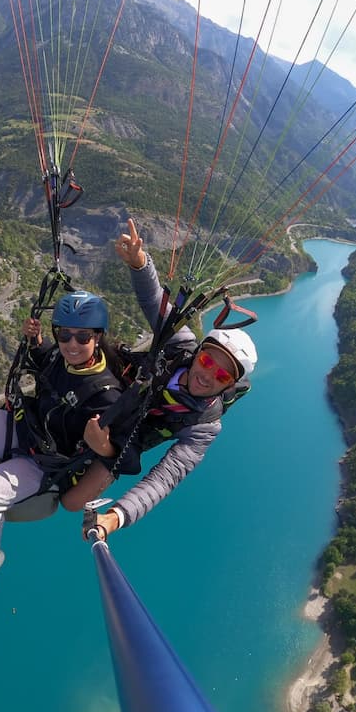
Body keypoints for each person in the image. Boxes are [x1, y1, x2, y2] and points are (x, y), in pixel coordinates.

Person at [0, 290, 129, 594]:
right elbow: (45, 357)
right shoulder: (60, 357)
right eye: (65, 335)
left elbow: (119, 454)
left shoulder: (106, 395)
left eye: (82, 337)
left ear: (97, 337)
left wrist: (102, 445)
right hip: (26, 427)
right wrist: (36, 339)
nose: (72, 344)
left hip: (44, 462)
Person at [86, 218, 257, 542]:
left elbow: (165, 479)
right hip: (113, 392)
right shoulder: (181, 346)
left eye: (221, 374)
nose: (207, 375)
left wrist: (115, 517)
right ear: (198, 354)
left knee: (76, 499)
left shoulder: (205, 424)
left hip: (121, 439)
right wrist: (139, 263)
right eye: (206, 361)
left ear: (228, 385)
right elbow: (155, 302)